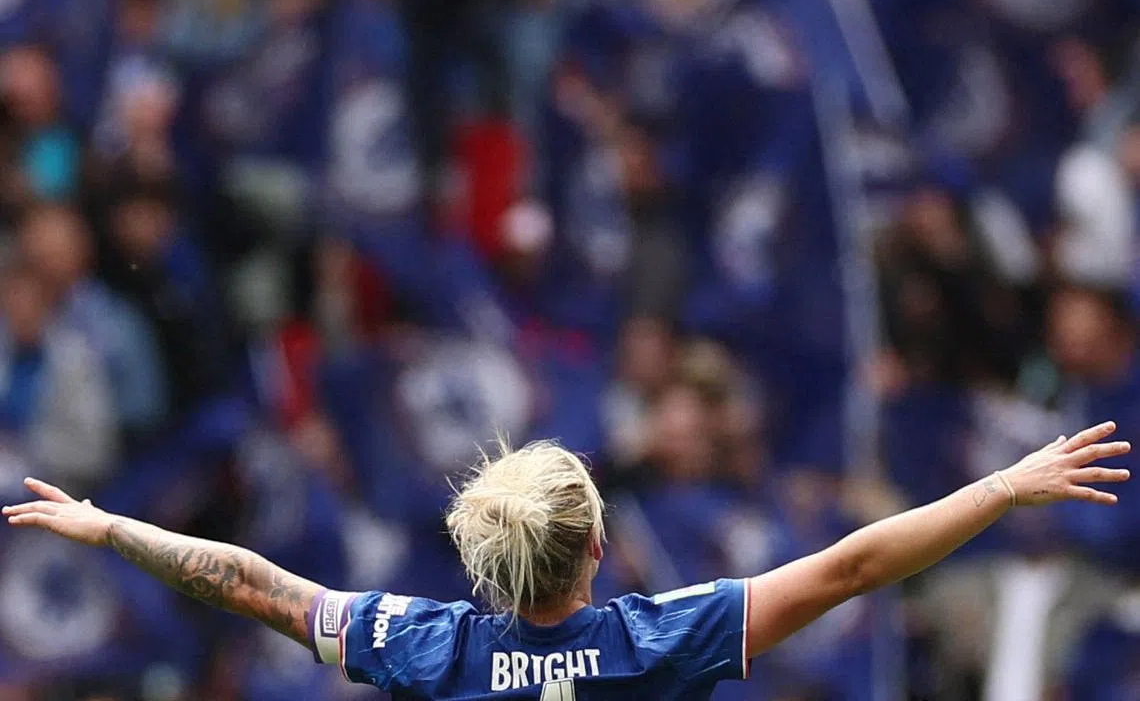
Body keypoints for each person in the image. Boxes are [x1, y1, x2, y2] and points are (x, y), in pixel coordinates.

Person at [2, 422, 1131, 699]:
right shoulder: (657, 644)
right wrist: (999, 484)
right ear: (598, 545)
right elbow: (848, 568)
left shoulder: (424, 648)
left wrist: (111, 528)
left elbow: (249, 581)